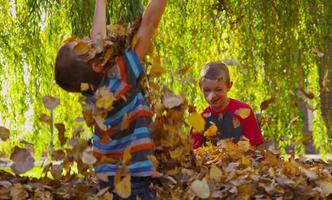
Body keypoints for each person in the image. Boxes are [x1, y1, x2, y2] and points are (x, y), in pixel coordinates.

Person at [54, 0, 168, 199]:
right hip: (133, 181)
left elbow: (98, 42)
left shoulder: (92, 95)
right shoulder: (121, 78)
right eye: (85, 44)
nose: (90, 40)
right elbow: (149, 22)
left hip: (105, 180)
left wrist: (101, 4)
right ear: (97, 65)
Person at [190, 61, 264, 149]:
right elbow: (191, 154)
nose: (212, 96)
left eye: (218, 90)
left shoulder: (244, 111)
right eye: (207, 90)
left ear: (229, 86)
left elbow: (259, 147)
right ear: (200, 87)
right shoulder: (199, 121)